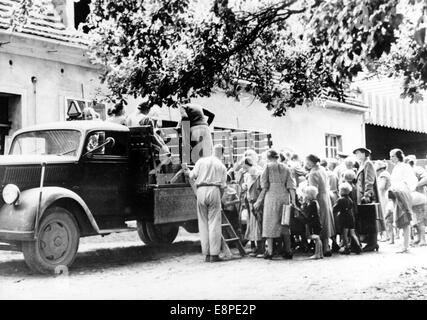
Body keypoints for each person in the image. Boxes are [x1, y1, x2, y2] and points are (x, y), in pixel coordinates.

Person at [183, 144, 228, 262]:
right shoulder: (221, 166)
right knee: (214, 223)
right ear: (222, 154)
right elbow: (223, 186)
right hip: (214, 190)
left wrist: (187, 170)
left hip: (201, 190)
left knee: (203, 223)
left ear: (212, 151)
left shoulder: (201, 161)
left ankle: (207, 254)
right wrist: (220, 199)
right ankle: (214, 255)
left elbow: (191, 176)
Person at [254, 149, 296, 260]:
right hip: (284, 197)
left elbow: (264, 186)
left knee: (269, 223)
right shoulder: (287, 168)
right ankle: (288, 250)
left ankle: (270, 251)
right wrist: (294, 202)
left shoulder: (267, 167)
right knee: (284, 224)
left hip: (271, 197)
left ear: (268, 157)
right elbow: (291, 187)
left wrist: (259, 200)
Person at [353, 147, 383, 252]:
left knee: (370, 218)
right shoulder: (362, 164)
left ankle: (373, 243)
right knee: (367, 218)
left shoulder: (368, 164)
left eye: (358, 153)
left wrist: (367, 194)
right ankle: (371, 242)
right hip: (362, 195)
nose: (356, 155)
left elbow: (369, 180)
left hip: (368, 196)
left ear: (364, 154)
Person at [306, 154, 336, 256]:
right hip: (325, 196)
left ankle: (322, 248)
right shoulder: (322, 169)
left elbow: (313, 190)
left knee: (319, 220)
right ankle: (326, 246)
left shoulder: (313, 173)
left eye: (307, 162)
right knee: (326, 220)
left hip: (318, 198)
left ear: (311, 162)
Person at [389, 148, 417, 253]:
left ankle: (406, 246)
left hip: (403, 194)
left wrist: (403, 188)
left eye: (393, 156)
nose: (391, 158)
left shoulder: (405, 167)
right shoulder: (396, 168)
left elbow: (412, 180)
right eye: (390, 156)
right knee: (400, 219)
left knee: (405, 219)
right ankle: (404, 244)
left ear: (399, 156)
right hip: (397, 195)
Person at [242, 161, 264, 257]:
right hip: (250, 202)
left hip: (256, 202)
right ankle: (256, 248)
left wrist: (258, 201)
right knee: (253, 226)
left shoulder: (258, 174)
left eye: (246, 168)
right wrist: (244, 186)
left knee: (258, 226)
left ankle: (261, 248)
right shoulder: (247, 176)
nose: (246, 171)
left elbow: (261, 189)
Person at [333, 182, 362, 254]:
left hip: (344, 218)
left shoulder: (340, 200)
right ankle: (358, 246)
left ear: (342, 191)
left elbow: (335, 208)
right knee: (352, 233)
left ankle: (347, 248)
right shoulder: (350, 199)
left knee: (344, 234)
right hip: (351, 218)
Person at [405, 155, 427, 246]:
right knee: (416, 219)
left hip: (420, 197)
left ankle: (423, 239)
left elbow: (426, 179)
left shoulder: (418, 169)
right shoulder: (409, 172)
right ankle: (418, 238)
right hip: (413, 198)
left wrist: (415, 185)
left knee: (420, 219)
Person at [301, 186, 323, 259]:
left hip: (313, 223)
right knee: (318, 238)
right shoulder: (315, 202)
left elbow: (307, 213)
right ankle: (320, 253)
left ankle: (317, 254)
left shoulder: (312, 203)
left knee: (313, 237)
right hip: (317, 223)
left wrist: (303, 206)